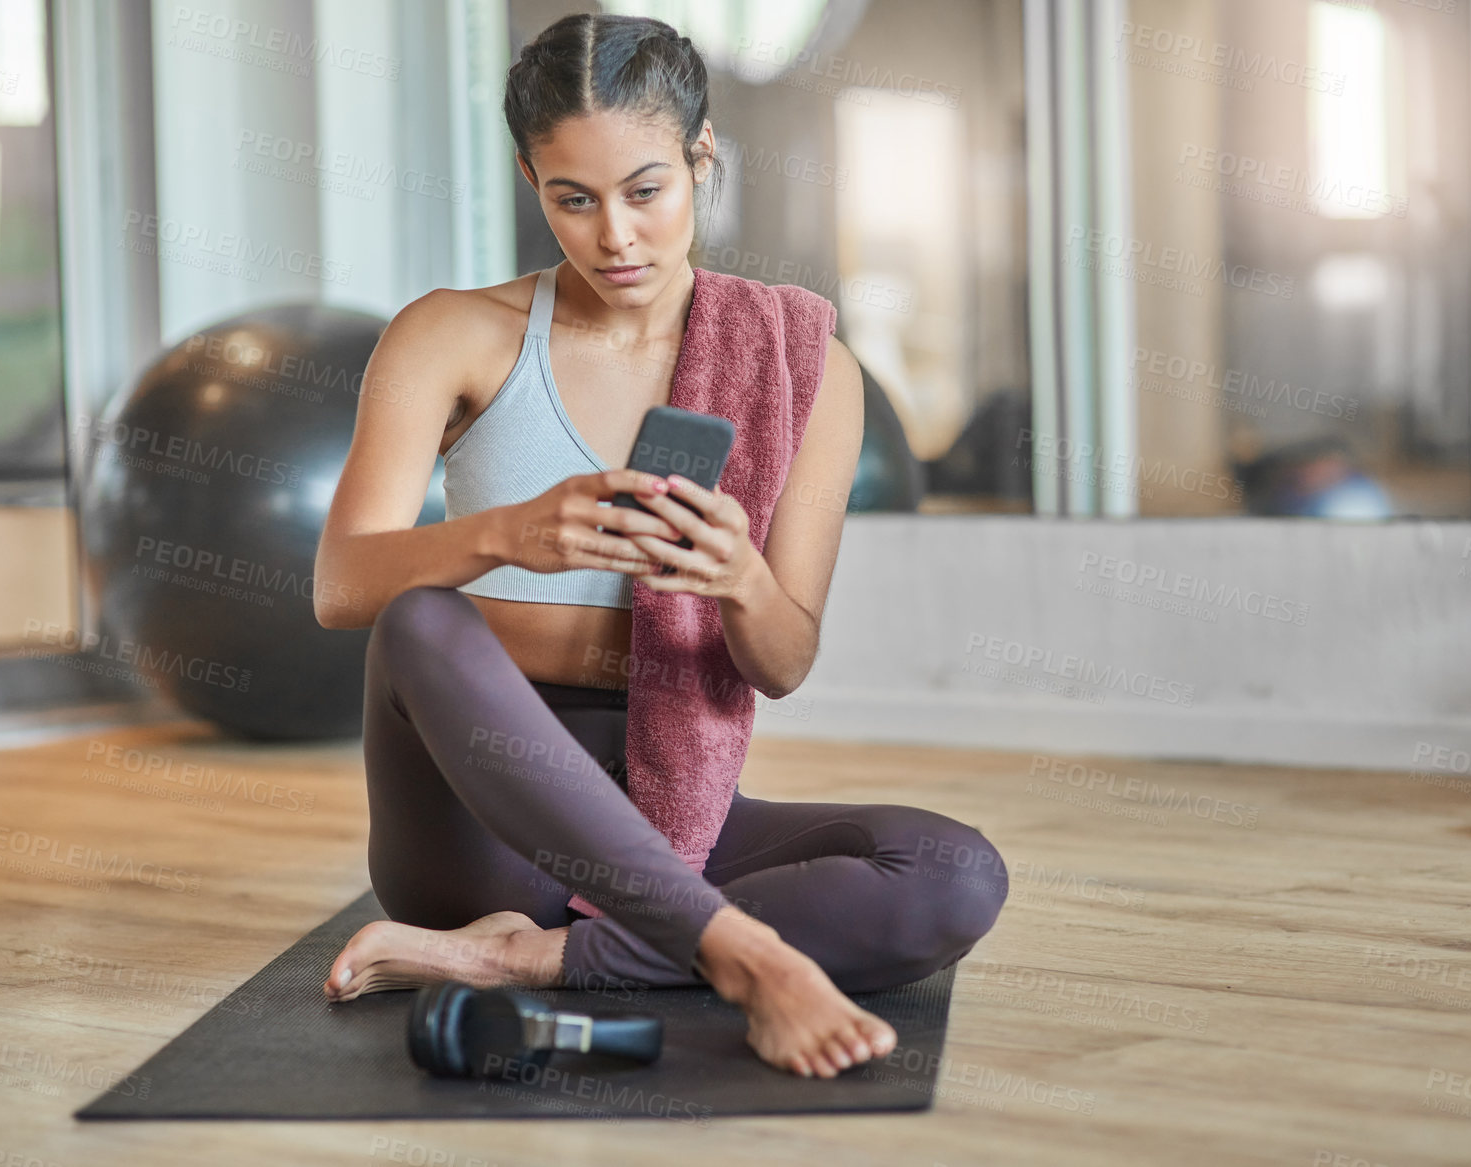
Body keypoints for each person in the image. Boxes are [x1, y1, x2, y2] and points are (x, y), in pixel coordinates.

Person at [311, 12, 1008, 1080]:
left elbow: (782, 663)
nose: (615, 238)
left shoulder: (802, 365)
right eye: (572, 200)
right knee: (421, 616)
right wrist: (508, 534)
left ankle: (538, 958)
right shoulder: (450, 333)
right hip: (473, 808)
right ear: (528, 179)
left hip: (665, 791)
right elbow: (341, 585)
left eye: (647, 191)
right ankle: (742, 955)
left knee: (952, 871)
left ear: (702, 157)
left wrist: (740, 581)